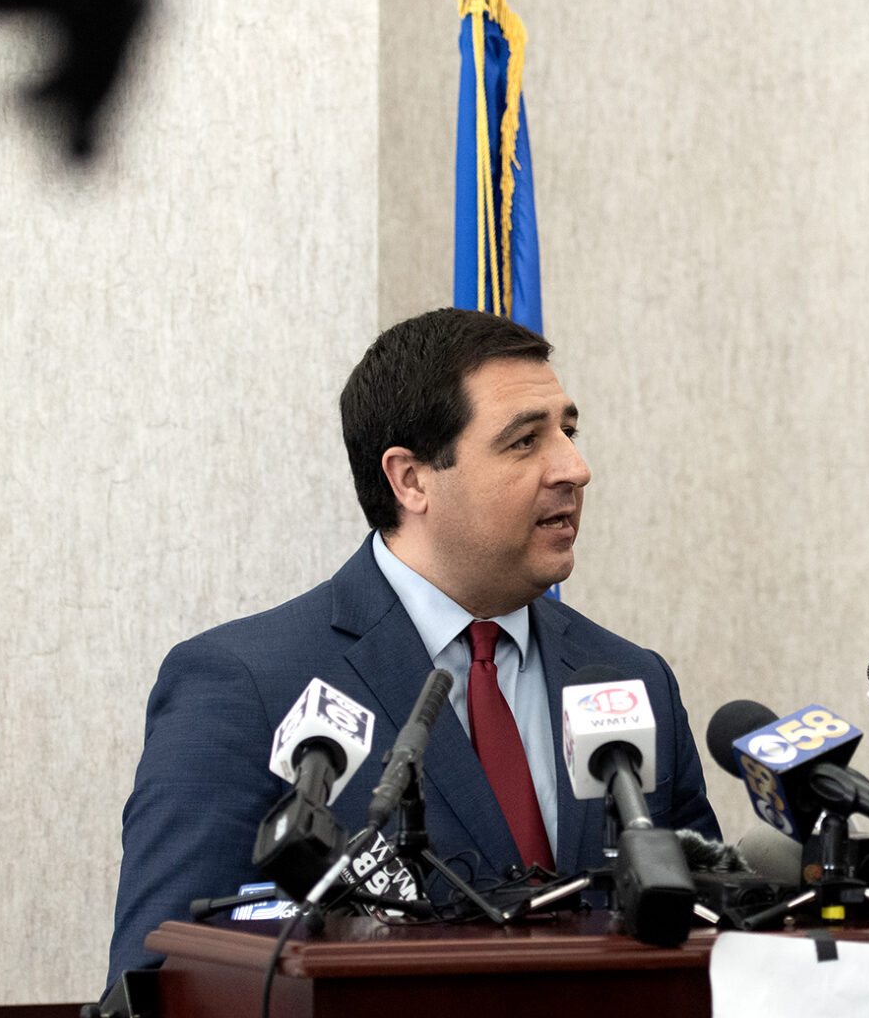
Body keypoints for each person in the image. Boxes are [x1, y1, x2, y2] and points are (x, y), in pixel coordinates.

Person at [107, 308, 720, 977]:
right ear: (411, 479)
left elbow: (712, 931)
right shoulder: (247, 686)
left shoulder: (631, 681)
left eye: (569, 433)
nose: (575, 468)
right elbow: (157, 986)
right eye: (525, 442)